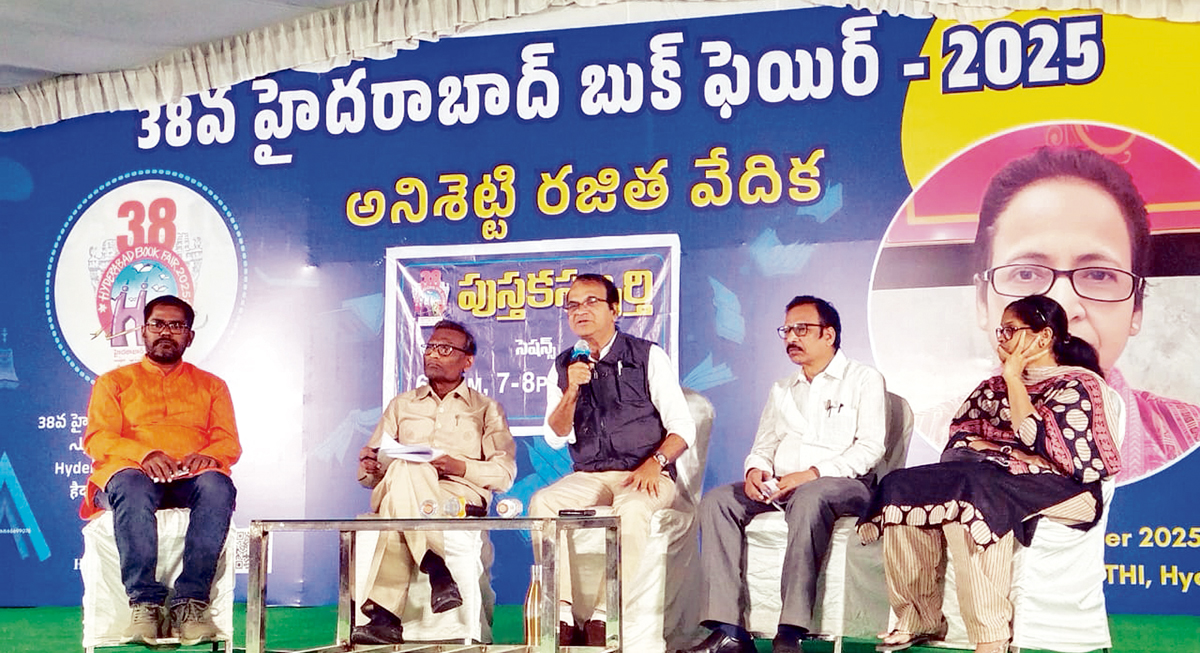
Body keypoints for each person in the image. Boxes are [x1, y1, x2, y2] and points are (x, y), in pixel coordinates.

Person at [858, 295, 1122, 653]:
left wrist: (1013, 379)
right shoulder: (989, 388)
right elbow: (961, 441)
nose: (1002, 339)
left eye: (1011, 330)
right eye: (1001, 331)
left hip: (1069, 492)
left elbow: (1041, 441)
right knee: (903, 485)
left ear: (1044, 337)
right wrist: (1012, 456)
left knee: (975, 495)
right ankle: (917, 618)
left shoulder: (1079, 386)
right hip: (995, 481)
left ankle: (991, 636)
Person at [920, 146, 1198, 481]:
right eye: (1026, 273)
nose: (1060, 309)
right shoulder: (926, 435)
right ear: (982, 301)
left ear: (1136, 307)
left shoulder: (1190, 437)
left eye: (1098, 275)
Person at [679, 296, 887, 653]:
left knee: (810, 496)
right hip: (783, 484)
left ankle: (791, 630)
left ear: (828, 335)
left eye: (801, 329)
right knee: (718, 501)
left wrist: (811, 474)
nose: (791, 337)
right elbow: (764, 444)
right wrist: (755, 470)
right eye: (786, 330)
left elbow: (870, 448)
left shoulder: (863, 379)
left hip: (846, 485)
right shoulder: (782, 388)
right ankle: (729, 631)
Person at [529, 273, 696, 646]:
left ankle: (605, 615)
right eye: (572, 305)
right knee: (543, 502)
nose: (580, 311)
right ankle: (562, 612)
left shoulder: (647, 356)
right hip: (590, 474)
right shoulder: (564, 365)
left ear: (614, 309)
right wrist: (572, 390)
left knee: (632, 509)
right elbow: (555, 436)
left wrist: (655, 462)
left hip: (646, 472)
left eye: (591, 302)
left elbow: (683, 428)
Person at [81, 295, 240, 646]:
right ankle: (145, 604)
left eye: (177, 326)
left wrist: (207, 457)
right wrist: (144, 454)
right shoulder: (113, 382)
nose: (166, 332)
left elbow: (228, 442)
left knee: (217, 485)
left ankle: (191, 603)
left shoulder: (212, 385)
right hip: (131, 475)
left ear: (190, 336)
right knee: (131, 484)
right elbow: (98, 437)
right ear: (143, 331)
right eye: (157, 324)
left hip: (188, 479)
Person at [353, 319, 516, 645]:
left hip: (454, 498)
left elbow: (504, 474)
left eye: (445, 348)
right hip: (399, 486)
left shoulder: (487, 409)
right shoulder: (401, 405)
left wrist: (458, 465)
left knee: (405, 486)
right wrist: (370, 465)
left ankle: (386, 617)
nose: (433, 354)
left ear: (467, 361)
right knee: (409, 468)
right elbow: (368, 477)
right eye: (430, 347)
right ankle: (437, 568)